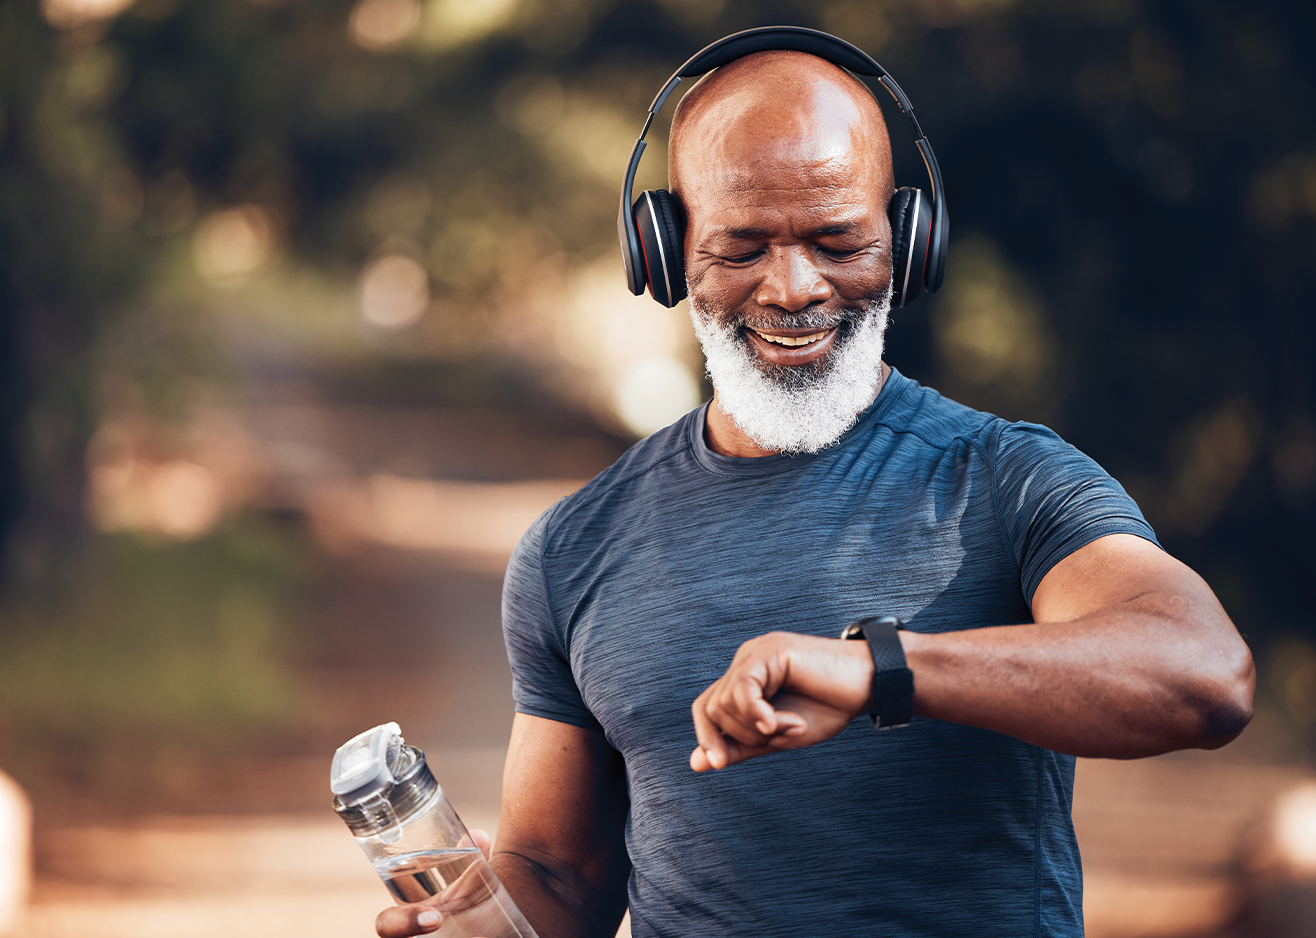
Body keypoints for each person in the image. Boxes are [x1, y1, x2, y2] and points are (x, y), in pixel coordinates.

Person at [376, 40, 1255, 938]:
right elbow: (562, 874)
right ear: (668, 249)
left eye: (838, 241)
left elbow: (1205, 674)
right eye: (742, 247)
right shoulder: (572, 548)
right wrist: (491, 917)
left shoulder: (1006, 479)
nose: (793, 288)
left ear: (909, 240)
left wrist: (879, 667)